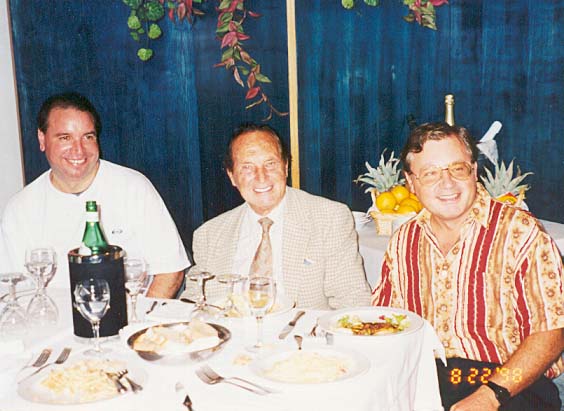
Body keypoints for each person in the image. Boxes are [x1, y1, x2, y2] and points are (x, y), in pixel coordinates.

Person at [372, 122, 564, 411]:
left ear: (474, 172)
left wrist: (491, 395)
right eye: (430, 173)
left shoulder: (520, 231)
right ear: (411, 183)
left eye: (457, 169)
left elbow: (552, 331)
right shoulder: (404, 241)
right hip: (427, 381)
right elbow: (387, 324)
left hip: (511, 382)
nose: (447, 183)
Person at [1, 92, 189, 298]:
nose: (78, 150)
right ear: (42, 139)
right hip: (53, 325)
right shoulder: (20, 209)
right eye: (65, 138)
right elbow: (13, 289)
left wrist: (139, 325)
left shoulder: (133, 187)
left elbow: (170, 271)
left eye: (88, 137)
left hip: (128, 321)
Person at [182, 123, 371, 309]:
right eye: (247, 167)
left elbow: (353, 301)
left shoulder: (329, 218)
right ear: (232, 176)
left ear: (286, 166)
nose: (261, 176)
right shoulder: (209, 234)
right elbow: (192, 304)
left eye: (270, 164)